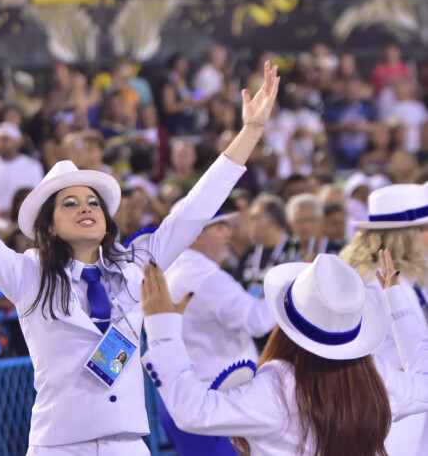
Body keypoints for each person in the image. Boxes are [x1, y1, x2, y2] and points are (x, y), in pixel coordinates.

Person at [0, 62, 280, 456]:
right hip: (59, 446)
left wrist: (251, 131)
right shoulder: (27, 274)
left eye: (92, 202)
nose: (86, 208)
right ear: (49, 227)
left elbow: (196, 208)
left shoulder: (136, 264)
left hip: (128, 444)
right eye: (70, 203)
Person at [141, 250, 428, 456]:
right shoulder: (378, 378)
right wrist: (397, 299)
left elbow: (192, 412)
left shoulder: (277, 387)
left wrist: (162, 329)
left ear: (286, 324)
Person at [161, 205, 275, 456]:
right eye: (220, 226)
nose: (229, 233)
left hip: (186, 400)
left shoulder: (174, 268)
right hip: (213, 406)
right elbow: (257, 321)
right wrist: (289, 289)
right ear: (196, 234)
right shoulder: (205, 276)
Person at [340, 184, 428, 455]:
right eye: (424, 229)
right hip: (388, 409)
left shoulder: (406, 274)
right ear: (404, 235)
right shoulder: (369, 281)